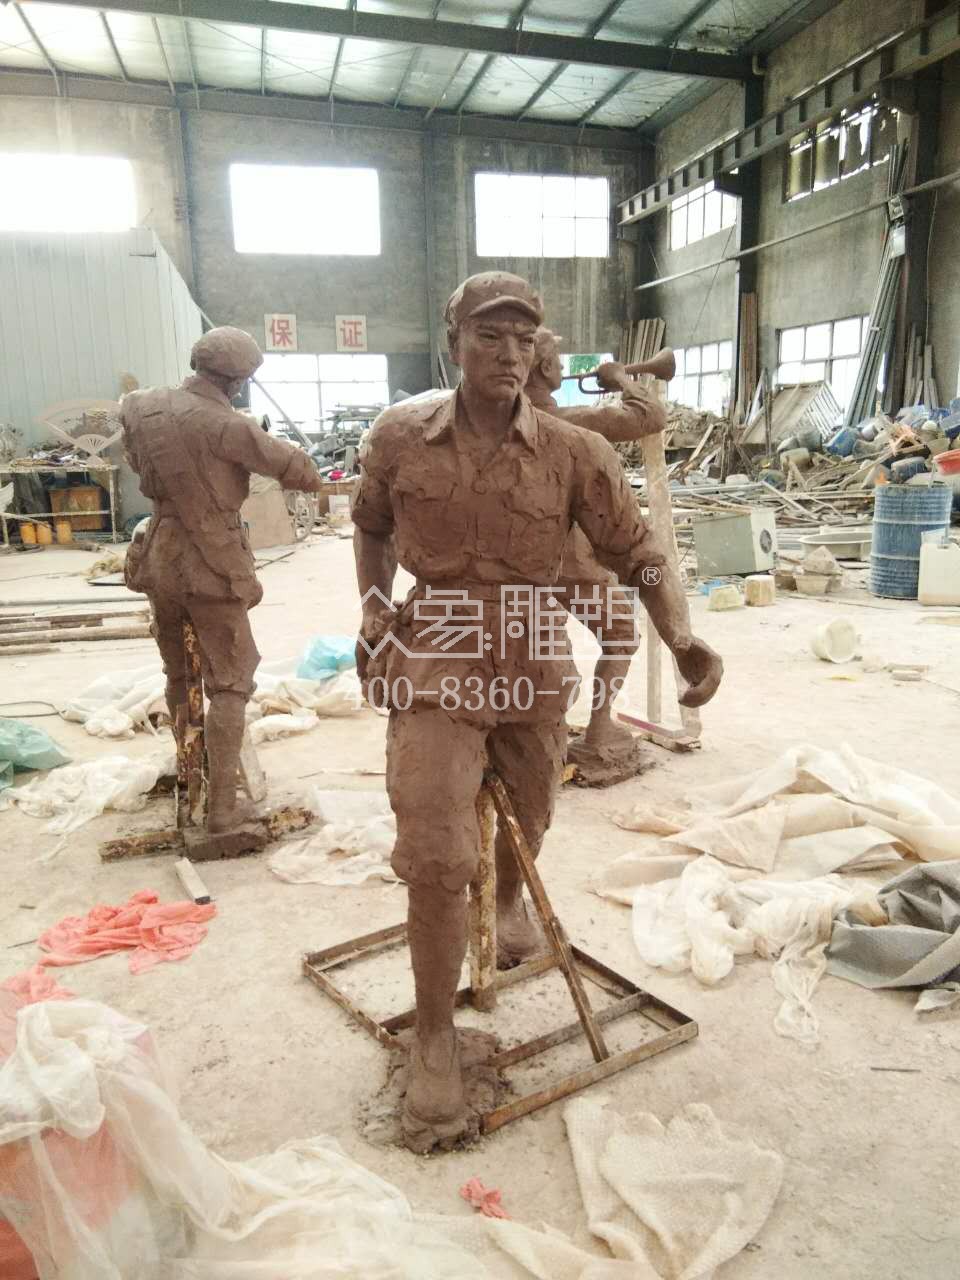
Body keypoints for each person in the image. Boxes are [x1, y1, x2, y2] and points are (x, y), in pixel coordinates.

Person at [351, 271, 722, 1152]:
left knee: (532, 810)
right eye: (490, 336)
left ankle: (511, 904)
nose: (509, 354)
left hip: (530, 647)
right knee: (437, 848)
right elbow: (369, 523)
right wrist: (372, 606)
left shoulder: (572, 450)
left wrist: (682, 637)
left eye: (523, 340)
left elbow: (637, 551)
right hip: (437, 646)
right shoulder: (400, 434)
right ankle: (435, 1036)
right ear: (455, 341)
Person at [121, 326, 323, 835]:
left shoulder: (140, 406)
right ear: (238, 380)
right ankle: (222, 813)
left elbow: (132, 458)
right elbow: (298, 470)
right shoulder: (227, 425)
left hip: (160, 552)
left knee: (179, 674)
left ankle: (191, 775)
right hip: (209, 560)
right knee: (231, 679)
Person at [524, 327, 666, 762]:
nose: (563, 367)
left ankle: (531, 736)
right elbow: (649, 416)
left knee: (529, 645)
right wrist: (621, 378)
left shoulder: (497, 425)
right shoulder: (569, 423)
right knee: (621, 633)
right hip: (570, 560)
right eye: (557, 360)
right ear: (544, 368)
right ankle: (600, 729)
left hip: (518, 561)